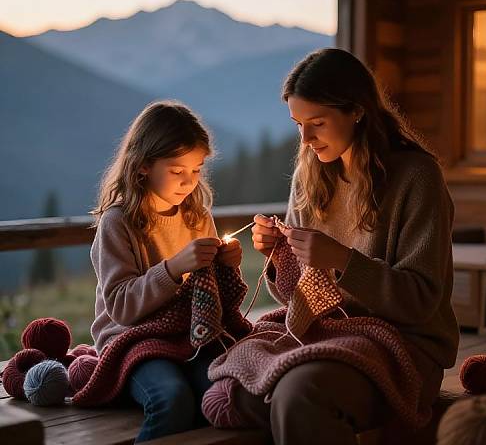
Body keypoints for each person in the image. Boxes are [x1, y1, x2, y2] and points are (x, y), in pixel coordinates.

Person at [245, 48, 460, 444]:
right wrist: (278, 257)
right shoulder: (309, 177)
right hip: (331, 332)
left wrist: (342, 260)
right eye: (297, 124)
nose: (306, 139)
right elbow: (298, 296)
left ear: (357, 111)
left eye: (318, 123)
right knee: (237, 382)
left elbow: (420, 301)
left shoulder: (416, 178)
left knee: (298, 394)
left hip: (405, 347)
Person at [90, 100, 242, 442]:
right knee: (171, 399)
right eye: (177, 171)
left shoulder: (196, 215)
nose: (189, 182)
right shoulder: (119, 222)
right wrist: (173, 268)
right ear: (143, 166)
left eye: (197, 169)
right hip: (129, 340)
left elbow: (209, 295)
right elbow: (121, 307)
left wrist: (226, 266)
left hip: (188, 335)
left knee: (224, 392)